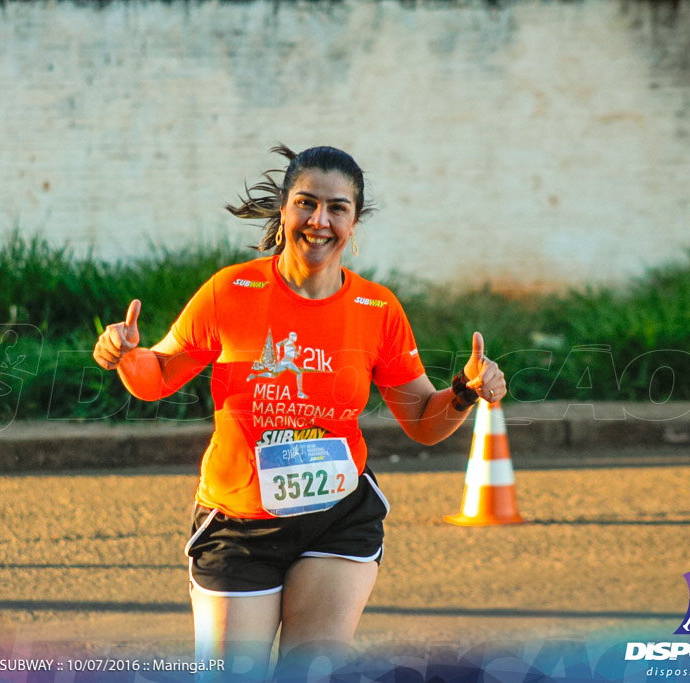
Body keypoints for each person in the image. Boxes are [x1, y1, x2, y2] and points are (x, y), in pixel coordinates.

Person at [92, 145, 507, 679]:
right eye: (306, 203)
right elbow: (158, 377)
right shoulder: (230, 291)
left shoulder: (376, 310)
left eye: (337, 208)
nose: (319, 220)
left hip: (336, 518)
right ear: (284, 210)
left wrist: (465, 392)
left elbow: (424, 422)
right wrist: (126, 355)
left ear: (354, 222)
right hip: (238, 524)